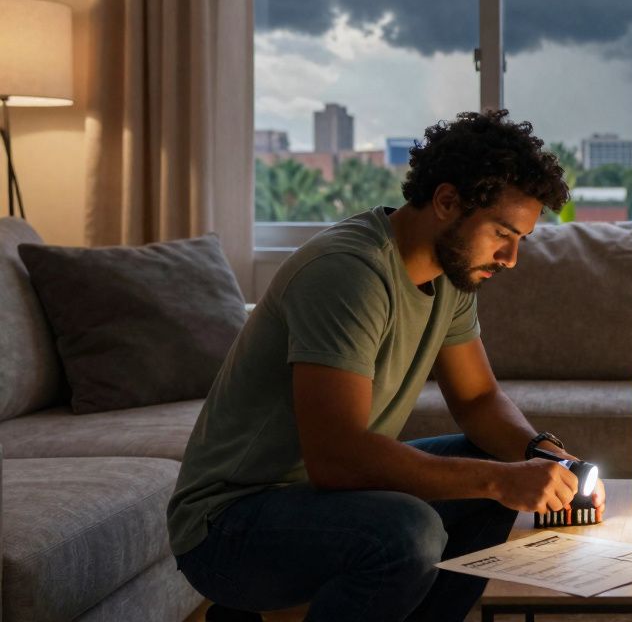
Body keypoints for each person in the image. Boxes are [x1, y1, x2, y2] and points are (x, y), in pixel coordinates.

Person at [168, 110, 606, 622]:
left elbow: (477, 400)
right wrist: (497, 479)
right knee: (408, 531)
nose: (510, 258)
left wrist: (540, 456)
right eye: (501, 234)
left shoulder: (451, 276)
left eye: (521, 241)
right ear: (446, 201)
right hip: (230, 526)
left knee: (493, 471)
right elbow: (338, 459)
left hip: (318, 501)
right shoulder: (347, 273)